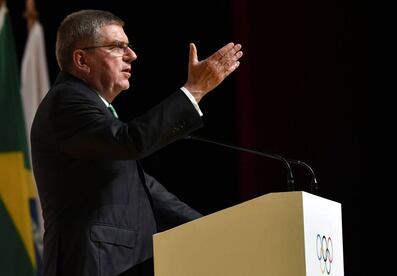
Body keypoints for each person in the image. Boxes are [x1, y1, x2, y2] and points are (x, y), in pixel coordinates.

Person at [30, 9, 242, 276]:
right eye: (117, 47)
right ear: (81, 60)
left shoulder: (94, 110)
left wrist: (215, 228)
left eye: (128, 46)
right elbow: (131, 142)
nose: (132, 55)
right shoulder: (66, 102)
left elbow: (146, 191)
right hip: (92, 263)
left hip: (121, 263)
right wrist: (194, 91)